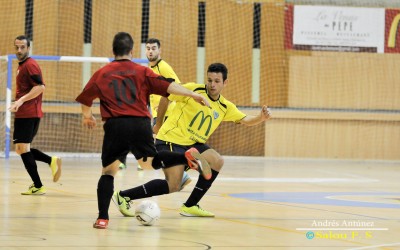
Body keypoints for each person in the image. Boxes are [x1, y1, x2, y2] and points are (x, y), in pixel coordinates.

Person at [75, 32, 212, 229]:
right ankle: (185, 158)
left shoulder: (102, 73)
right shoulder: (142, 71)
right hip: (140, 124)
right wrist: (192, 94)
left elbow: (85, 99)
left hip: (116, 125)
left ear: (113, 51)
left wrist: (87, 116)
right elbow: (169, 86)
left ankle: (102, 218)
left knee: (108, 172)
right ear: (132, 51)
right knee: (151, 162)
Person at [112, 63, 271, 218]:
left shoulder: (224, 106)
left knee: (217, 161)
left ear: (225, 83)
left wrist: (260, 117)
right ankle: (124, 196)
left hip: (194, 144)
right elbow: (165, 97)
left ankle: (190, 206)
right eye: (209, 80)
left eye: (216, 81)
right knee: (173, 185)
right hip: (171, 140)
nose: (212, 84)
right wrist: (158, 124)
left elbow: (245, 119)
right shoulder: (193, 90)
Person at [9, 35, 62, 195]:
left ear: (28, 48)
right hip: (26, 113)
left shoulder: (30, 65)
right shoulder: (22, 65)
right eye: (17, 47)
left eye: (22, 47)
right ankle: (50, 162)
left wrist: (20, 101)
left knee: (22, 149)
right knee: (21, 149)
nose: (19, 50)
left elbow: (40, 87)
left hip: (28, 113)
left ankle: (38, 185)